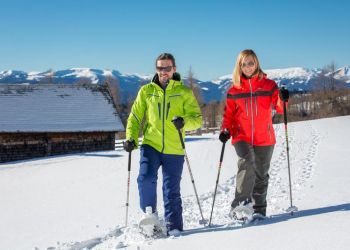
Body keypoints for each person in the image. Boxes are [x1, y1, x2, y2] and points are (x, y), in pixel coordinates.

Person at [123, 53, 202, 235]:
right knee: (145, 178)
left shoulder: (184, 92)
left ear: (174, 69)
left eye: (167, 68)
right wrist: (131, 138)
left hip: (175, 148)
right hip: (151, 144)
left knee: (171, 191)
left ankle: (175, 230)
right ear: (156, 69)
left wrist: (184, 122)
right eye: (160, 68)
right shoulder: (146, 91)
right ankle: (151, 218)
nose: (163, 72)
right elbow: (135, 117)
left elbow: (197, 119)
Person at [219, 49, 289, 219]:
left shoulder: (269, 85)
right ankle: (241, 207)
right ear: (239, 66)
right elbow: (229, 115)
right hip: (241, 136)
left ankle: (259, 210)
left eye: (251, 63)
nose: (248, 67)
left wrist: (283, 98)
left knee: (261, 174)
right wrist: (225, 130)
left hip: (264, 137)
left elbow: (280, 108)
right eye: (244, 64)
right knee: (247, 163)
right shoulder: (234, 90)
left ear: (256, 63)